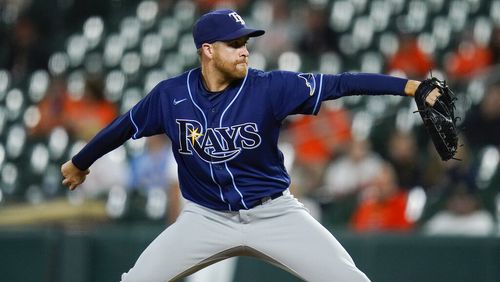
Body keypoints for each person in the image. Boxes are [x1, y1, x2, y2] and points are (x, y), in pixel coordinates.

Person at [61, 9, 441, 282]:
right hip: (204, 217)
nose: (245, 50)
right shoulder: (170, 96)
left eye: (245, 43)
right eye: (234, 44)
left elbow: (341, 83)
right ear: (208, 50)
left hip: (273, 213)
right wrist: (81, 161)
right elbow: (124, 126)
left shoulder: (269, 86)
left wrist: (408, 87)